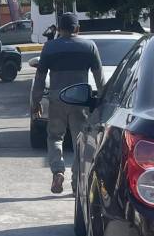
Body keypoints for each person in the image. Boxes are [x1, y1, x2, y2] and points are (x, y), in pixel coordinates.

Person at [31, 13, 104, 194]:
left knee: (55, 137)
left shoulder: (50, 47)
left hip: (57, 99)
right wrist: (102, 101)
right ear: (77, 29)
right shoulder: (89, 46)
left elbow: (39, 77)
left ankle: (58, 170)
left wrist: (36, 101)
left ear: (59, 30)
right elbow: (99, 78)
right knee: (80, 141)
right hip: (80, 100)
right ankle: (76, 183)